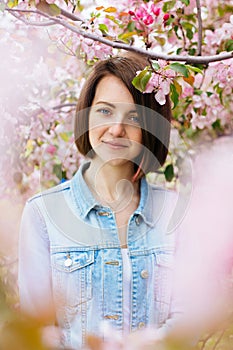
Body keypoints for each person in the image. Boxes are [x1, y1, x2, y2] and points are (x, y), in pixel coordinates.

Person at [18, 53, 181, 350]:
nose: (117, 130)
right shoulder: (44, 214)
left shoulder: (176, 213)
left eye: (133, 117)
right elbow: (38, 330)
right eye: (105, 112)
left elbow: (185, 321)